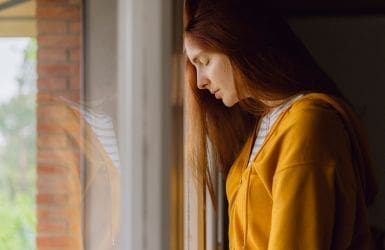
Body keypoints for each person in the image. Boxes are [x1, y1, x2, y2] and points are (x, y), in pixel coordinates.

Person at [183, 0, 378, 249]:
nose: (201, 82)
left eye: (205, 61)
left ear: (236, 42)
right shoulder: (267, 124)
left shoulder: (306, 125)